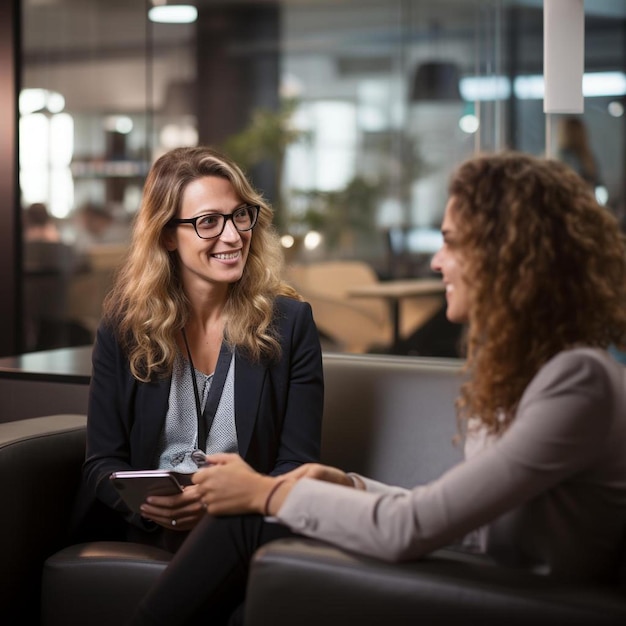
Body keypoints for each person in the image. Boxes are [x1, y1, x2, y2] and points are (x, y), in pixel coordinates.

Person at [129, 151, 626, 625]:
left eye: (451, 241)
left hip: (521, 599)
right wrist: (349, 484)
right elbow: (466, 521)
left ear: (510, 256)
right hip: (491, 579)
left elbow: (413, 527)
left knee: (247, 522)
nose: (437, 261)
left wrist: (264, 492)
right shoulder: (543, 373)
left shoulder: (577, 381)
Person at [73, 146, 324, 552]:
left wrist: (221, 505)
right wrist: (153, 508)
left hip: (244, 530)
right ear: (168, 236)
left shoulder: (290, 325)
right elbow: (102, 465)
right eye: (209, 221)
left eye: (239, 215)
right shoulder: (125, 328)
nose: (232, 235)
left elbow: (297, 465)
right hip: (150, 529)